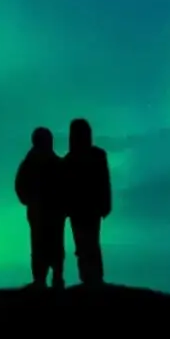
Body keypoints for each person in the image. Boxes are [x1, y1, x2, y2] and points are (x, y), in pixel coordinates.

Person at [61, 117, 112, 288]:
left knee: (87, 243)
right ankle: (90, 277)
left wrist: (105, 204)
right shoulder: (93, 156)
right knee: (85, 244)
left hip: (86, 209)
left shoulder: (71, 160)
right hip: (84, 209)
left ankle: (92, 277)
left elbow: (104, 183)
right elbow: (104, 183)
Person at [14, 126, 67, 287]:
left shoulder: (32, 162)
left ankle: (47, 279)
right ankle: (46, 279)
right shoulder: (51, 162)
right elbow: (20, 185)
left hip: (46, 212)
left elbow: (19, 185)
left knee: (45, 245)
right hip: (45, 212)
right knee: (47, 245)